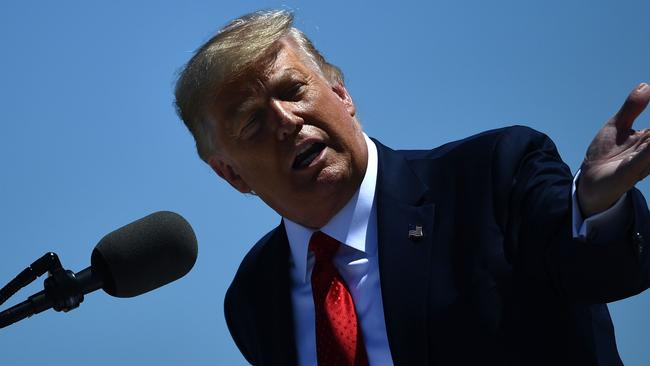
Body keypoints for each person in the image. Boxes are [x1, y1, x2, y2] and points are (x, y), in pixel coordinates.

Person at [174, 10, 650, 366]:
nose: (285, 121)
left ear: (341, 94)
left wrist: (594, 205)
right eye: (252, 122)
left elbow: (596, 269)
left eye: (293, 90)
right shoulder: (255, 295)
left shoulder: (493, 174)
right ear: (231, 174)